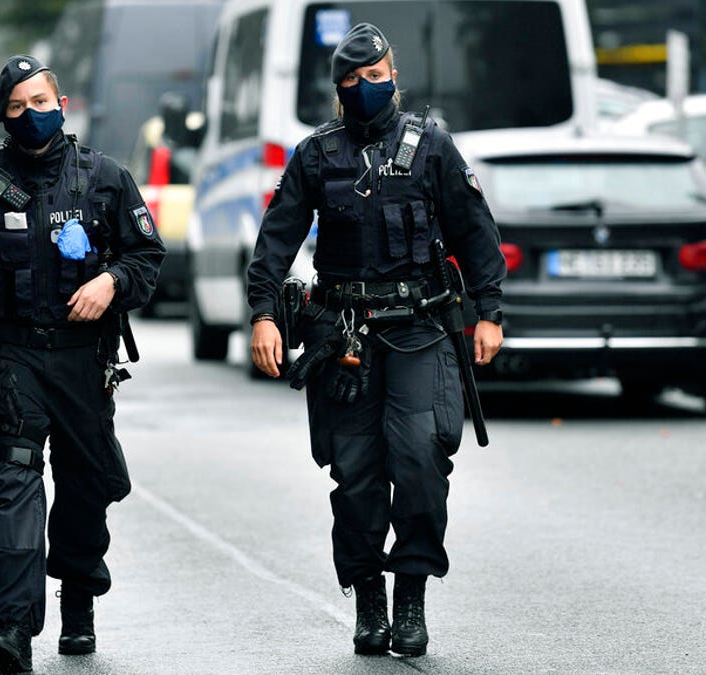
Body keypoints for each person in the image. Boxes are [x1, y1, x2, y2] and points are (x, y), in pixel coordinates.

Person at [246, 23, 506, 657]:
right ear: (338, 89)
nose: (367, 88)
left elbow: (475, 234)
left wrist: (490, 313)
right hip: (344, 336)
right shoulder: (316, 154)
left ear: (395, 76)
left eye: (377, 75)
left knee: (419, 460)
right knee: (357, 474)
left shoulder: (433, 147)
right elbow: (276, 242)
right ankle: (368, 598)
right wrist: (263, 315)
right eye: (353, 80)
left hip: (420, 329)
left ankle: (411, 596)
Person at [0, 55, 164, 674]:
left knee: (84, 487)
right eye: (17, 107)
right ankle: (12, 629)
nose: (31, 115)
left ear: (63, 103)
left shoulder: (106, 178)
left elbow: (148, 255)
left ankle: (78, 598)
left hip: (83, 362)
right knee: (15, 485)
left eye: (40, 101)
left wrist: (111, 281)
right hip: (9, 357)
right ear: (2, 115)